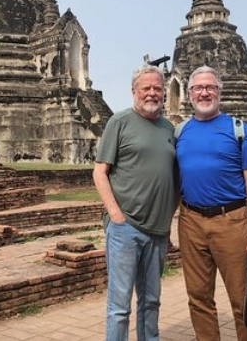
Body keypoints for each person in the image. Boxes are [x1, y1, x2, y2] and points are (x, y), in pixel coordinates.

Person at [176, 66, 247, 341]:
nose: (204, 93)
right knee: (199, 298)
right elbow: (173, 182)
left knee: (242, 298)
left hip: (231, 220)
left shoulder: (238, 129)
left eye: (210, 88)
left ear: (220, 93)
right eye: (198, 88)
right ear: (189, 94)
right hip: (190, 220)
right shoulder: (180, 132)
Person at [92, 64, 179, 341]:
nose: (152, 93)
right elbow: (100, 172)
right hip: (125, 227)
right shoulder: (120, 122)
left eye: (157, 88)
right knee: (119, 307)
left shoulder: (169, 129)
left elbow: (175, 179)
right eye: (146, 88)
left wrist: (169, 217)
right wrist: (115, 215)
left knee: (151, 301)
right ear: (134, 91)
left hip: (158, 231)